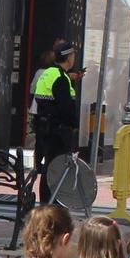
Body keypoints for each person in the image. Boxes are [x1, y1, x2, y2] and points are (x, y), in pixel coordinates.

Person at [32, 39, 83, 204]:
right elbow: (65, 108)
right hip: (57, 131)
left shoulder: (47, 73)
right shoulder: (61, 78)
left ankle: (46, 202)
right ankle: (52, 203)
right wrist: (75, 124)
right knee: (55, 168)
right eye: (73, 55)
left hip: (44, 128)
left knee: (48, 167)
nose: (74, 58)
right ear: (68, 58)